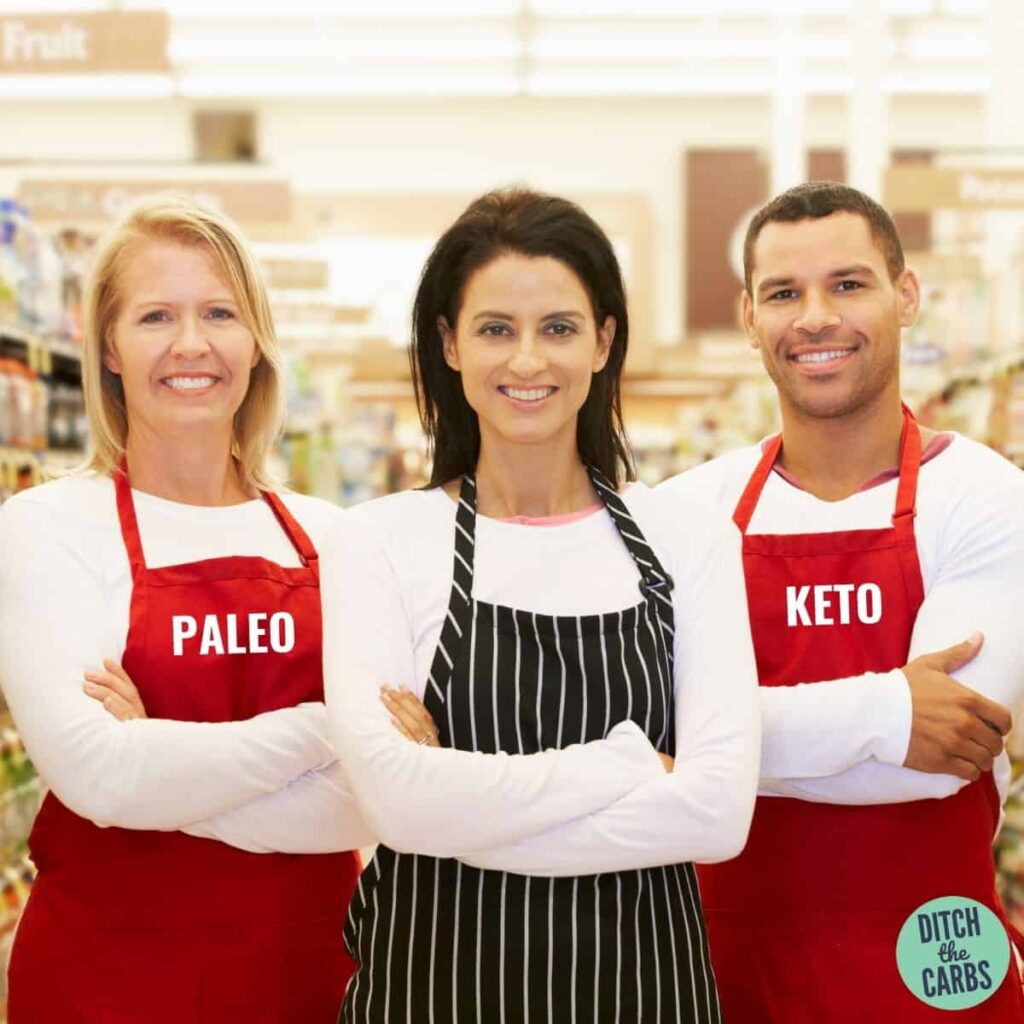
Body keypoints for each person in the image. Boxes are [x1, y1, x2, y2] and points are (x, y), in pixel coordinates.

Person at [321, 188, 760, 1023]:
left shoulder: (690, 538)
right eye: (496, 329)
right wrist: (632, 766)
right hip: (432, 993)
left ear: (603, 341)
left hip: (643, 993)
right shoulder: (377, 541)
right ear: (449, 344)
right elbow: (395, 805)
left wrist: (456, 803)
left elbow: (715, 815)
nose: (528, 361)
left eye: (558, 328)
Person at [0, 195, 372, 1023]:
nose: (191, 344)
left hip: (309, 973)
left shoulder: (336, 537)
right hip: (107, 979)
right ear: (108, 346)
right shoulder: (44, 526)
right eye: (155, 316)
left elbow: (374, 794)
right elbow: (100, 776)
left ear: (256, 341)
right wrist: (325, 730)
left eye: (219, 313)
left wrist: (160, 764)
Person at [660, 181, 1024, 1022]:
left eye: (848, 284)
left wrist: (709, 739)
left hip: (937, 967)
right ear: (750, 317)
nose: (815, 317)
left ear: (905, 295)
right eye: (785, 293)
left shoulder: (985, 497)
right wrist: (890, 708)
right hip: (724, 969)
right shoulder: (686, 510)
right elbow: (640, 731)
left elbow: (939, 762)